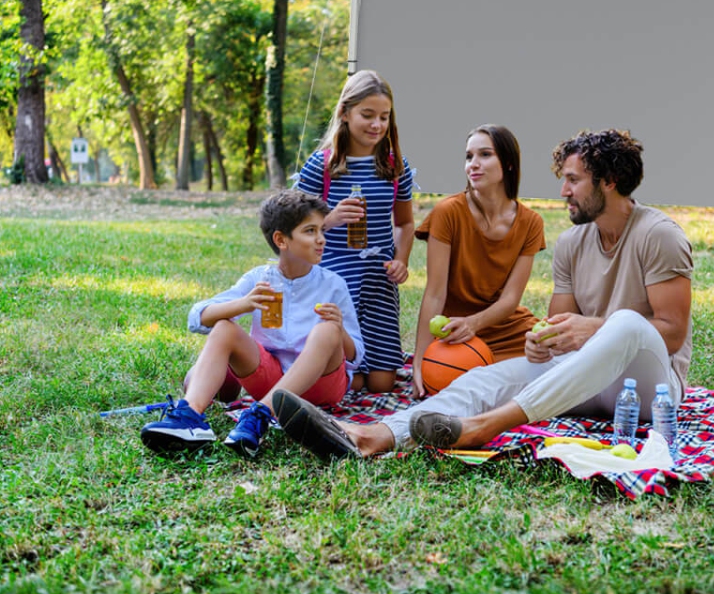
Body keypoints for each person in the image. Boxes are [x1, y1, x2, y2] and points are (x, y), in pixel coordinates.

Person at [272, 128, 691, 462]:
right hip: (584, 383)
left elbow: (670, 333)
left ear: (610, 181)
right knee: (482, 377)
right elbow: (558, 329)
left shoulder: (658, 235)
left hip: (649, 391)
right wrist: (540, 342)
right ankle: (373, 436)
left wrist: (593, 329)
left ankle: (483, 427)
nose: (563, 190)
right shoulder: (572, 244)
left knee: (625, 324)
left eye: (573, 180)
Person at [139, 188, 363, 459]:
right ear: (281, 240)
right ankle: (190, 416)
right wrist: (243, 304)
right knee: (224, 326)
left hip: (320, 388)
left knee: (327, 329)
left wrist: (340, 331)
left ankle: (260, 414)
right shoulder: (260, 279)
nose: (321, 239)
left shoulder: (333, 284)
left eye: (321, 231)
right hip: (268, 380)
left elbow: (356, 355)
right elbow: (197, 317)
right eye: (310, 231)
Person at [293, 70, 415, 393]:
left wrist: (401, 260)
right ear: (345, 114)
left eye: (384, 117)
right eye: (368, 115)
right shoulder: (322, 165)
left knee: (381, 383)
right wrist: (328, 220)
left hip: (378, 280)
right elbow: (294, 227)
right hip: (335, 279)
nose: (377, 125)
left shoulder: (393, 166)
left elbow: (404, 224)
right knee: (352, 380)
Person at [408, 124, 546, 392]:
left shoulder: (531, 222)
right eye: (469, 156)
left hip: (504, 327)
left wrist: (476, 323)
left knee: (554, 358)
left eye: (484, 155)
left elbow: (510, 301)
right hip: (455, 331)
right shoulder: (447, 212)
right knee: (459, 383)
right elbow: (434, 293)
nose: (473, 164)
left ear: (507, 163)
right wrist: (420, 362)